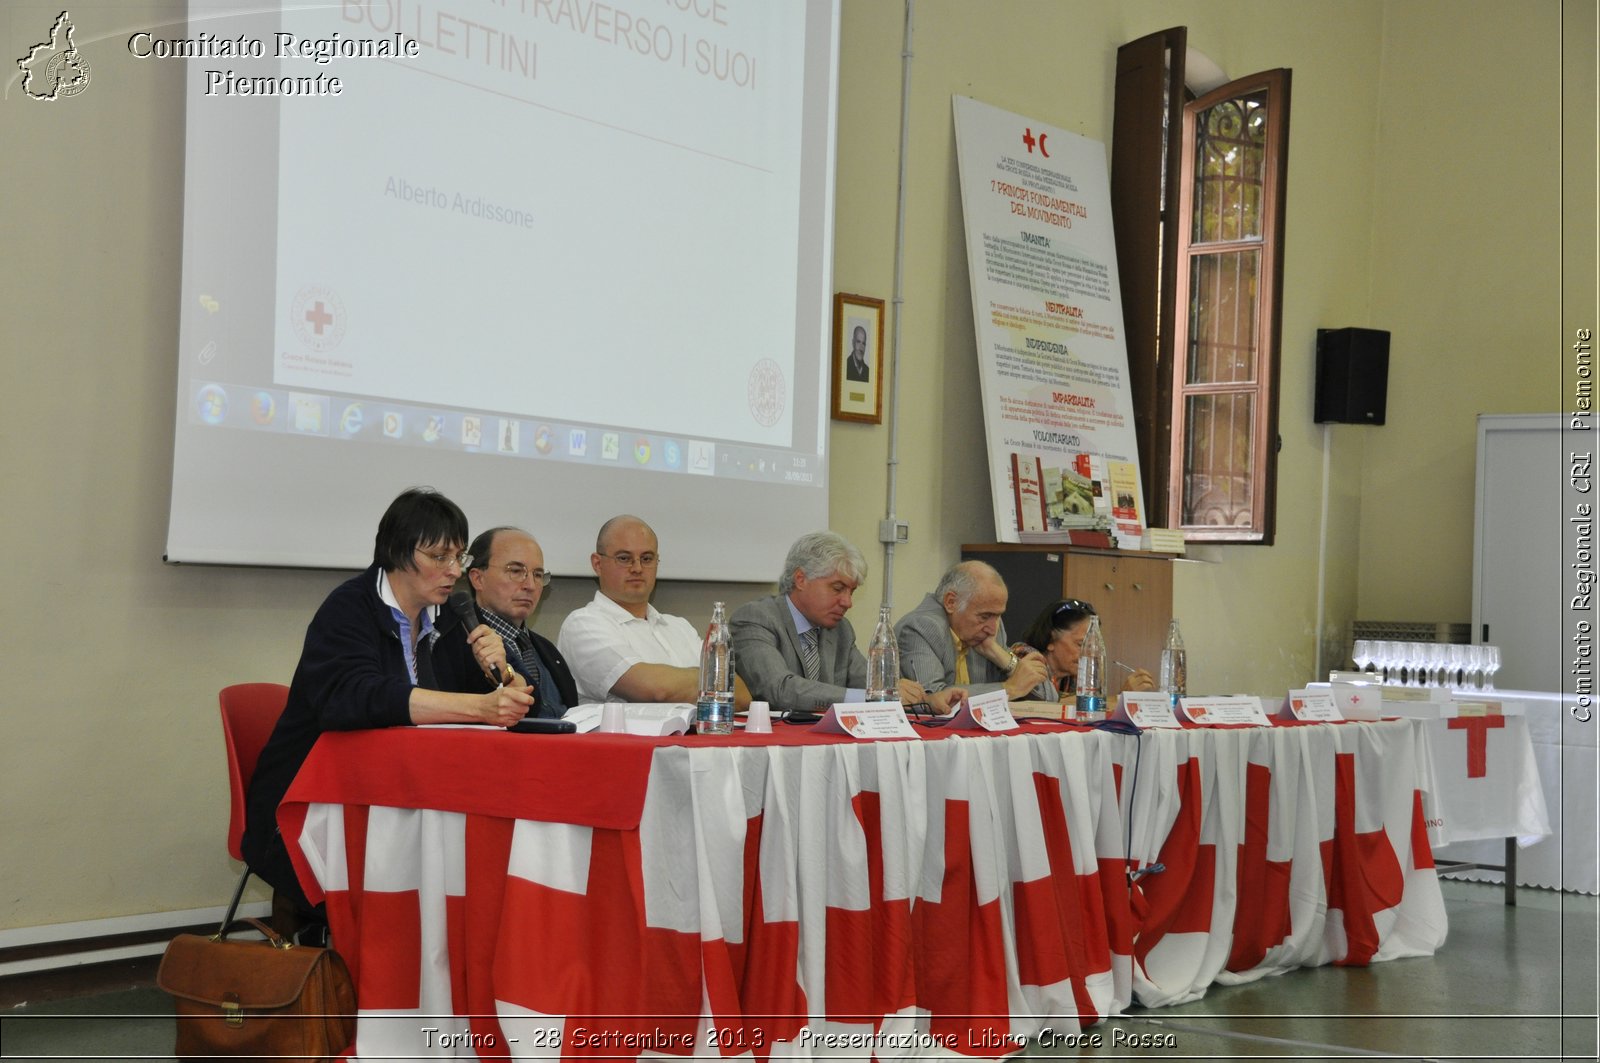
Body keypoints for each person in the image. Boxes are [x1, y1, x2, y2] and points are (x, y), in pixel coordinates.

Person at [242, 488, 533, 921]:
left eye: (459, 557)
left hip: (410, 793)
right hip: (317, 801)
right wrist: (478, 708)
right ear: (397, 552)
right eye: (439, 557)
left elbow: (513, 700)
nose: (453, 571)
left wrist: (505, 671)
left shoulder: (452, 615)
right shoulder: (349, 608)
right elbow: (356, 698)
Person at [731, 531, 967, 716]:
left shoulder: (840, 630)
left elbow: (872, 685)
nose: (847, 602)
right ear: (801, 579)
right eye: (837, 588)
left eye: (852, 591)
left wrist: (926, 701)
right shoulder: (756, 618)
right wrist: (870, 697)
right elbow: (779, 689)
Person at [557, 514, 751, 706]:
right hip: (629, 737)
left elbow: (741, 694)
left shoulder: (680, 627)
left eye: (647, 558)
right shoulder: (584, 624)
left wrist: (684, 683)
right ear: (597, 564)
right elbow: (655, 690)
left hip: (695, 735)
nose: (637, 568)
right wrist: (711, 678)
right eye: (624, 558)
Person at [452, 526, 578, 717]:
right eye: (516, 571)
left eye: (537, 574)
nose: (530, 585)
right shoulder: (458, 641)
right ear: (478, 578)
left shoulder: (547, 650)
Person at [895, 560, 1050, 699]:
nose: (992, 629)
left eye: (997, 616)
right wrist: (1008, 689)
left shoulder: (990, 629)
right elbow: (932, 697)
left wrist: (1002, 658)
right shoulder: (921, 627)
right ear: (951, 602)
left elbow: (1049, 697)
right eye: (984, 616)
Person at [1015, 598, 1158, 700]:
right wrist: (1120, 699)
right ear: (1051, 639)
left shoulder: (1071, 676)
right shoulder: (1025, 656)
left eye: (1091, 647)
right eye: (1080, 644)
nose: (1088, 655)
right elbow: (1049, 706)